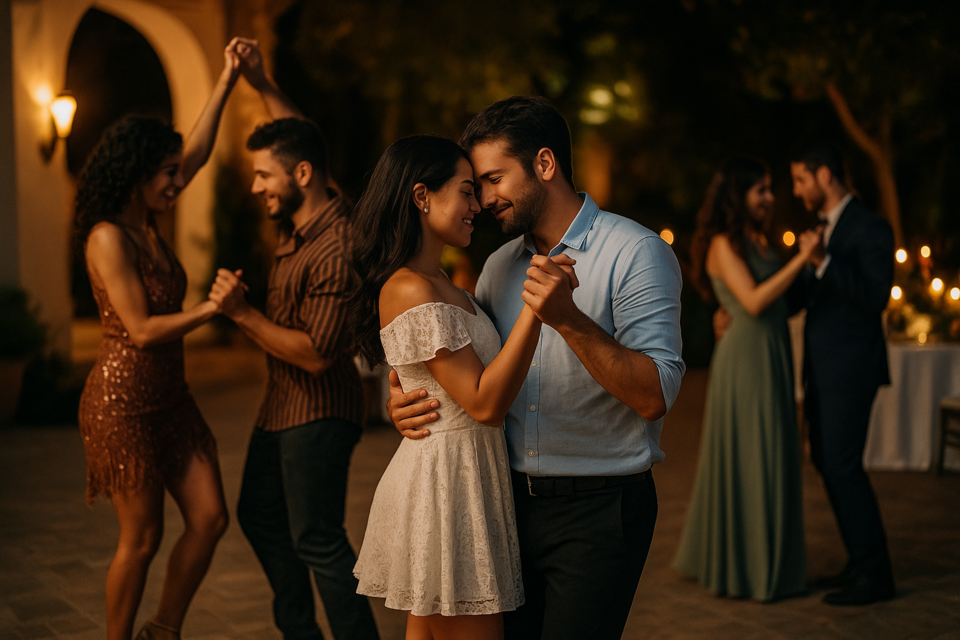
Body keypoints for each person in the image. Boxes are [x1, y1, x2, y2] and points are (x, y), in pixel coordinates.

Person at [387, 96, 685, 640]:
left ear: (544, 164)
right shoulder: (497, 267)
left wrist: (568, 320)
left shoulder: (636, 252)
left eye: (494, 179)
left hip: (599, 511)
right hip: (500, 505)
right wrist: (410, 397)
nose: (484, 200)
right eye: (476, 186)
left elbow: (655, 396)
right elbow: (469, 377)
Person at [350, 134, 575, 640]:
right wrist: (538, 310)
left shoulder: (448, 286)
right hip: (446, 483)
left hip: (466, 475)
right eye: (467, 191)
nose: (479, 205)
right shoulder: (409, 287)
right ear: (422, 196)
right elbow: (483, 403)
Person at [207, 41, 380, 640]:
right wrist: (259, 81)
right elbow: (303, 139)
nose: (256, 186)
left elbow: (317, 353)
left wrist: (241, 313)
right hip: (279, 409)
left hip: (319, 411)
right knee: (259, 515)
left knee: (318, 539)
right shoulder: (303, 220)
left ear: (301, 177)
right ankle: (300, 631)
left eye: (264, 175)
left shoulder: (337, 244)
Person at [75, 39, 245, 640]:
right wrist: (212, 310)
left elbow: (194, 152)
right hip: (121, 405)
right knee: (142, 538)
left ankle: (162, 631)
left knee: (210, 517)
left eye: (177, 171)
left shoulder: (148, 221)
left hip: (171, 399)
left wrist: (226, 78)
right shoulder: (108, 237)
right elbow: (142, 330)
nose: (179, 181)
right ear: (137, 174)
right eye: (168, 173)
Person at [673, 157, 819, 601]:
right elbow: (753, 301)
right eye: (762, 190)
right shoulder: (721, 243)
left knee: (775, 449)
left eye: (771, 190)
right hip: (746, 360)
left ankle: (773, 560)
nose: (770, 198)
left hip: (770, 352)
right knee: (755, 453)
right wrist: (802, 258)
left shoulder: (756, 239)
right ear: (739, 195)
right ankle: (750, 568)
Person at [788, 141, 896, 606]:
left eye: (801, 180)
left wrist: (823, 263)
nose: (797, 191)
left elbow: (875, 297)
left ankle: (876, 573)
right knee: (827, 462)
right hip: (821, 369)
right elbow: (799, 298)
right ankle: (859, 560)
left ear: (825, 176)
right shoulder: (819, 231)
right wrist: (743, 307)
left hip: (852, 369)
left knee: (843, 465)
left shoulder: (871, 227)